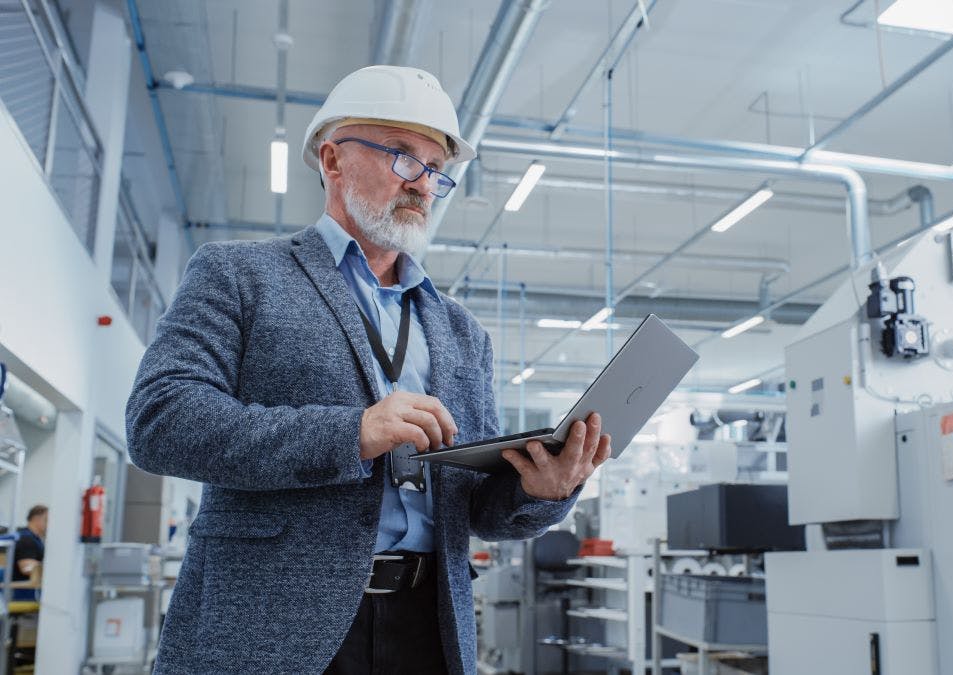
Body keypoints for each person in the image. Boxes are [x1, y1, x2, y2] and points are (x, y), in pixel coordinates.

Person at [125, 65, 611, 674]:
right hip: (272, 622)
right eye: (403, 157)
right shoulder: (239, 275)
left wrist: (543, 489)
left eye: (436, 171)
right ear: (332, 160)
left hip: (431, 623)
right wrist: (353, 432)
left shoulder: (462, 333)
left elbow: (482, 510)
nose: (423, 184)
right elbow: (159, 421)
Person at [12, 505, 45, 599]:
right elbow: (27, 568)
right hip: (24, 593)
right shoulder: (27, 539)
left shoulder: (35, 539)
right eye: (47, 520)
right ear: (37, 519)